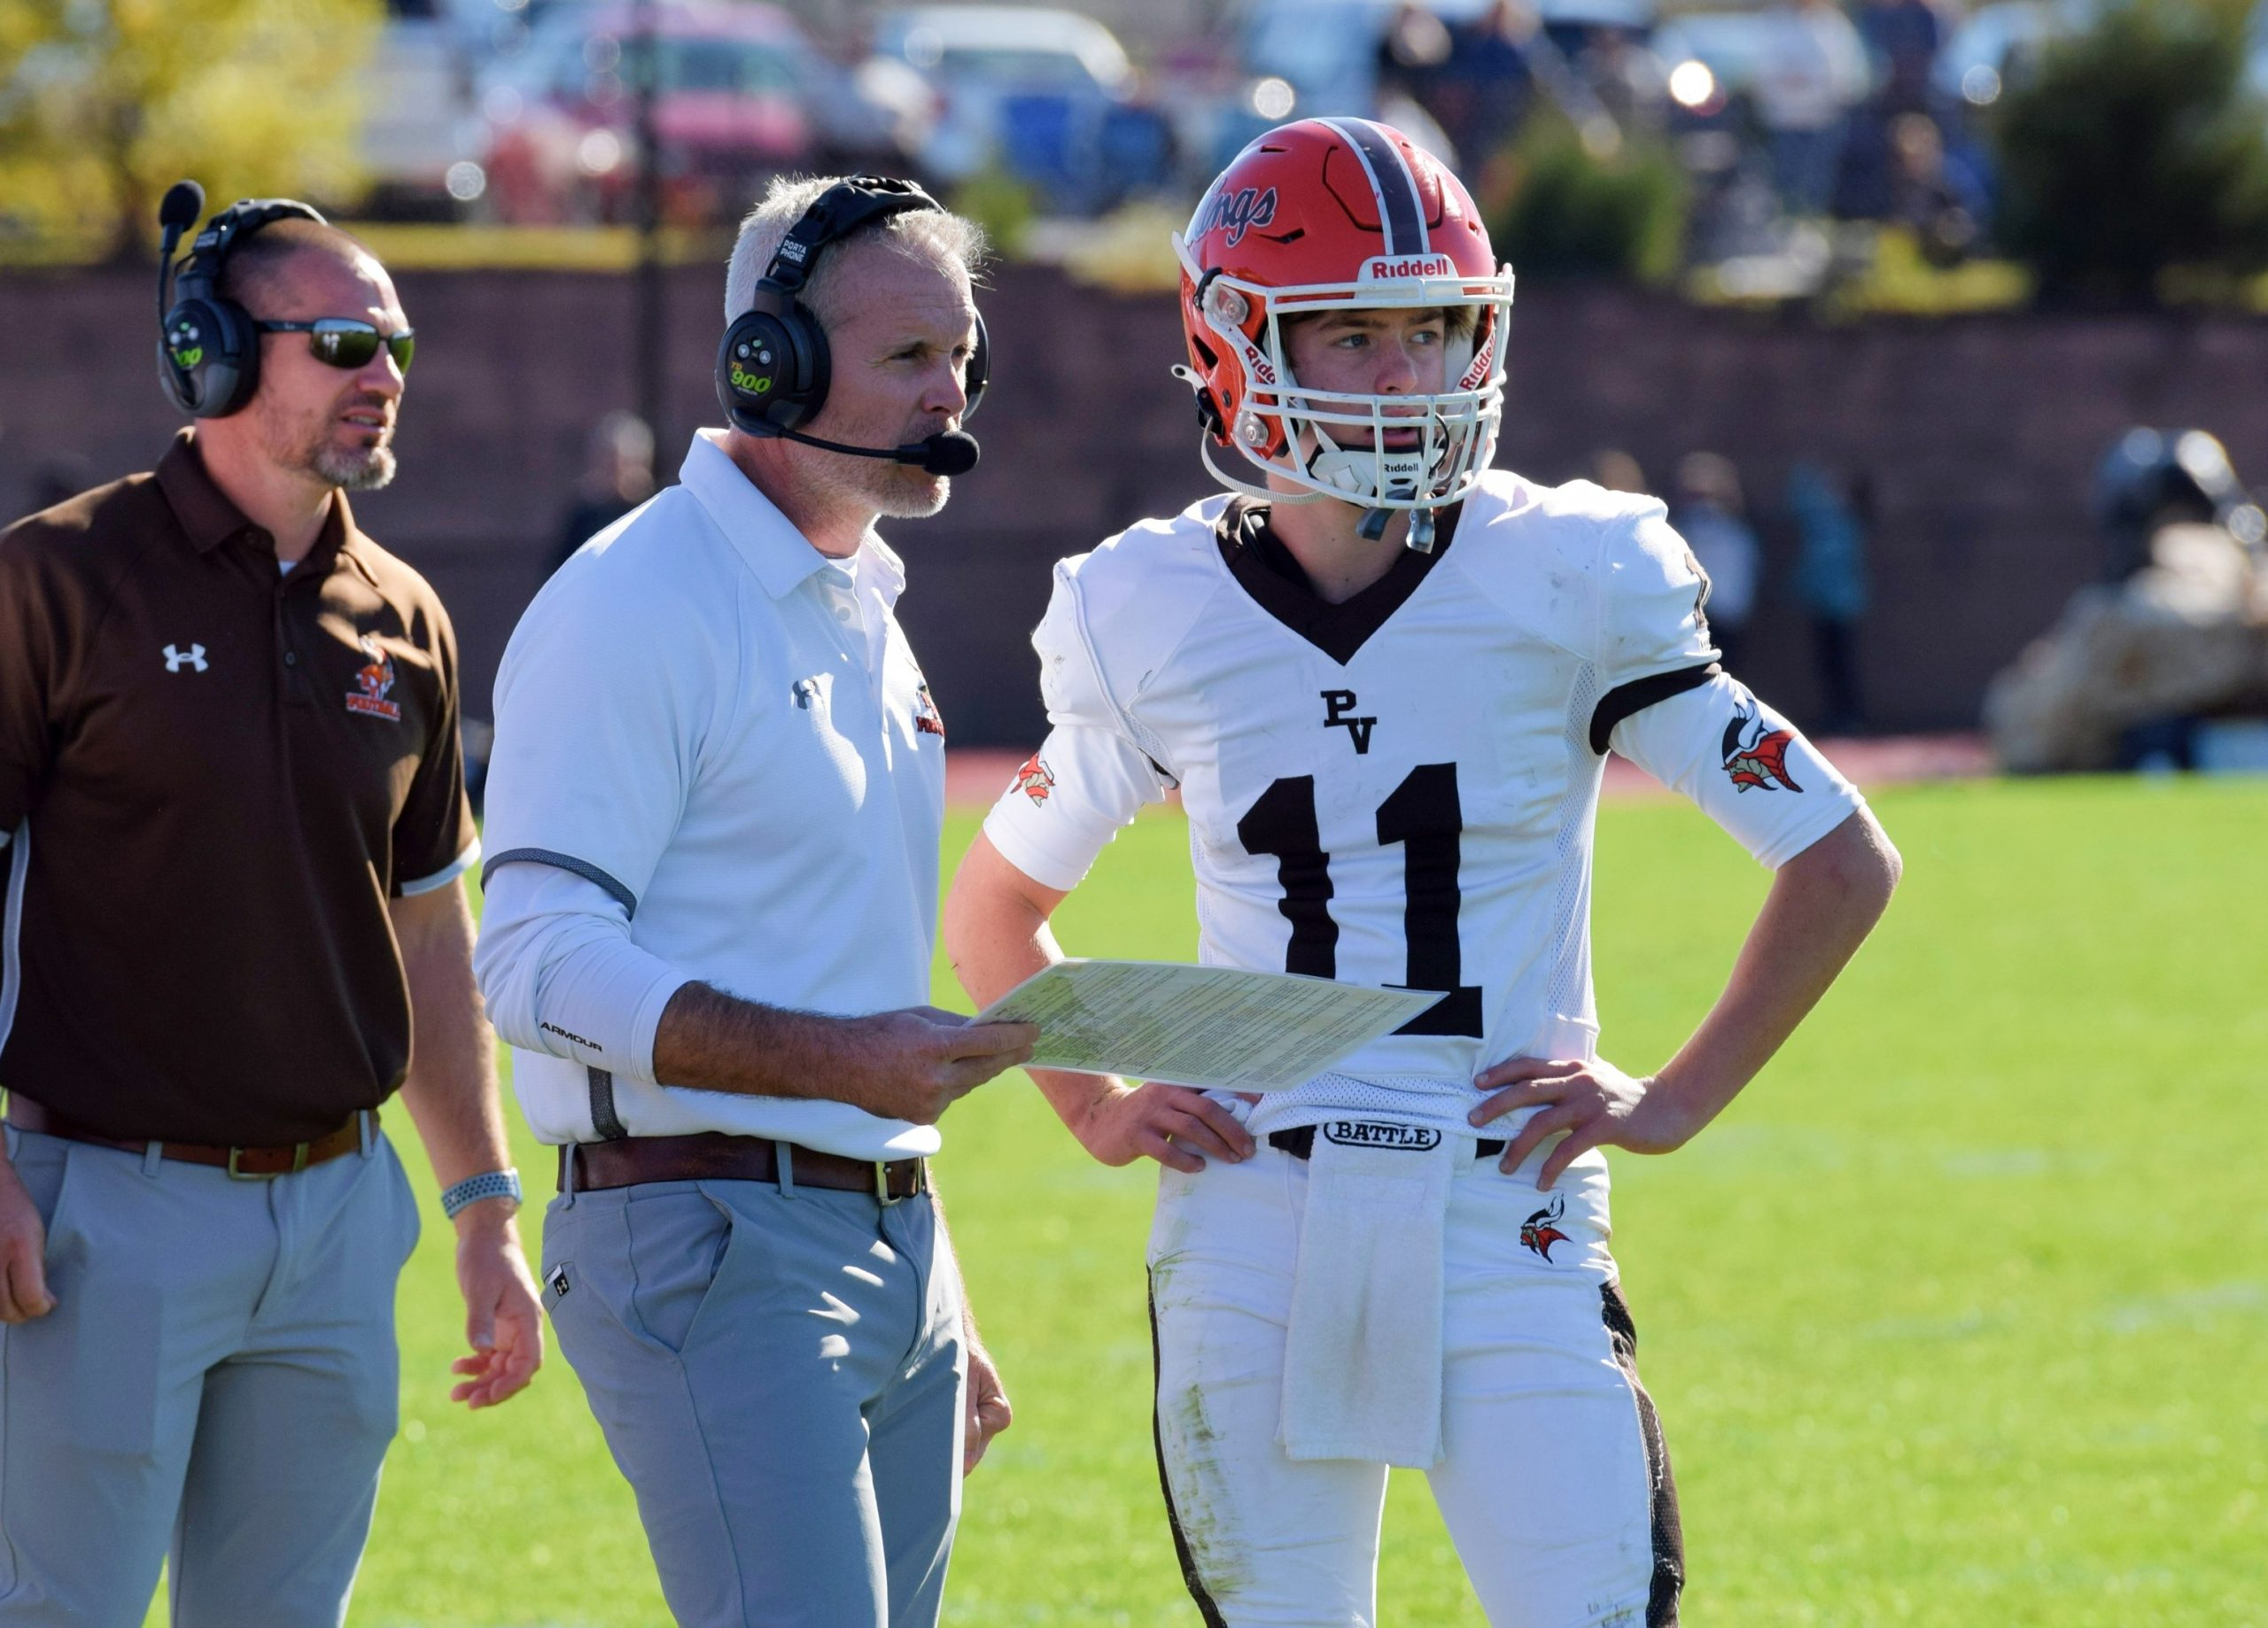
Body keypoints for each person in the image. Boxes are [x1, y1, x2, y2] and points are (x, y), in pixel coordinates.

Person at [944, 119, 1902, 1626]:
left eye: (1435, 327)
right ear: (1236, 345)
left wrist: (1678, 1097)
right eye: (1356, 333)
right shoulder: (1155, 608)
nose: (1407, 373)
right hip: (1254, 1211)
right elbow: (994, 907)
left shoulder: (1571, 578)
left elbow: (1842, 855)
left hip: (1505, 1204)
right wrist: (1096, 1098)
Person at [472, 174, 1037, 1628]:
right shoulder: (636, 601)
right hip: (704, 1233)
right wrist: (842, 1068)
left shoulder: (868, 606)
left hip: (883, 1239)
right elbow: (528, 959)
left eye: (962, 352)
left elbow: (847, 972)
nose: (951, 388)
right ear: (765, 361)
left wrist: (927, 1256)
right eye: (910, 354)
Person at [0, 189, 540, 1628]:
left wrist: (484, 1204)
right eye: (350, 343)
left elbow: (429, 928)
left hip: (339, 1221)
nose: (387, 379)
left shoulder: (408, 612)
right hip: (99, 1212)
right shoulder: (54, 575)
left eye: (399, 349)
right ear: (215, 351)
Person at [1671, 451, 1761, 674]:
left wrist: (1730, 608)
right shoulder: (1678, 531)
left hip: (1724, 619)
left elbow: (1744, 572)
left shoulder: (1736, 533)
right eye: (1694, 497)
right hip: (1688, 625)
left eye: (1706, 496)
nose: (1702, 506)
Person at [550, 408, 656, 573]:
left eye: (617, 465)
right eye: (603, 463)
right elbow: (559, 575)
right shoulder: (584, 518)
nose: (609, 474)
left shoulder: (655, 511)